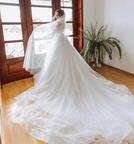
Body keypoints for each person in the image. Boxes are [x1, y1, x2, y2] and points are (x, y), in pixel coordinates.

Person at [9, 9, 134, 144]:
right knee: (65, 66)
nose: (55, 15)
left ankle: (60, 86)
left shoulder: (56, 22)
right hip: (63, 43)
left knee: (58, 66)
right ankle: (63, 83)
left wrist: (37, 30)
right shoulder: (61, 22)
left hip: (58, 45)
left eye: (56, 14)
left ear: (58, 15)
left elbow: (49, 32)